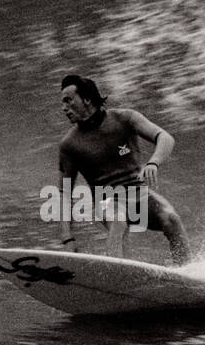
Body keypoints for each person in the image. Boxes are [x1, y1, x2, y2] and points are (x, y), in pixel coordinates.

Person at [56, 74, 193, 265]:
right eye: (63, 102)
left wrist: (153, 162)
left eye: (68, 100)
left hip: (139, 194)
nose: (64, 108)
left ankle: (185, 271)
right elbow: (64, 193)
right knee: (118, 221)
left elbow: (164, 137)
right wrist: (67, 238)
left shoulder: (125, 118)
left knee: (171, 219)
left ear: (86, 99)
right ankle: (116, 272)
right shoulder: (69, 145)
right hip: (107, 200)